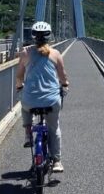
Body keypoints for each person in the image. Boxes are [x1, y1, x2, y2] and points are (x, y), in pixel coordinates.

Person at [15, 21, 69, 172]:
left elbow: (19, 77)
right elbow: (63, 76)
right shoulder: (56, 54)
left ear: (33, 36)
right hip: (51, 100)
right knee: (54, 128)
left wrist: (19, 87)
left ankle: (28, 134)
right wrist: (65, 86)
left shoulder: (25, 53)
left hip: (30, 100)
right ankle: (57, 161)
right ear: (49, 36)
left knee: (24, 106)